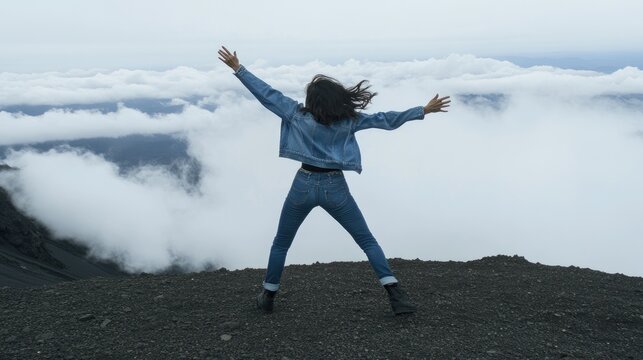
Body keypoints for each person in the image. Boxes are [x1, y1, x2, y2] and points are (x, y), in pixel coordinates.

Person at [218, 46, 450, 315]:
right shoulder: (349, 121)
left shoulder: (296, 115)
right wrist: (422, 110)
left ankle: (268, 296)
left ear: (313, 101)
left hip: (303, 184)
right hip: (335, 187)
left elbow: (267, 95)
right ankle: (396, 295)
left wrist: (239, 68)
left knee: (281, 243)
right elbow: (385, 120)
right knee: (367, 241)